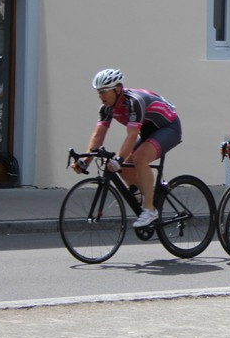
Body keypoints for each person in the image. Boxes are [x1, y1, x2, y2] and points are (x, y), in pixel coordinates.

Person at [75, 68, 182, 227]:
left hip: (168, 128)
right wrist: (85, 161)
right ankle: (141, 194)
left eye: (104, 91)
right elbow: (98, 136)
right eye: (99, 92)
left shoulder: (134, 102)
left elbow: (132, 135)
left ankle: (150, 209)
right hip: (148, 131)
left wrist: (118, 159)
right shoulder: (106, 108)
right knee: (124, 166)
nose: (101, 96)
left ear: (118, 89)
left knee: (139, 158)